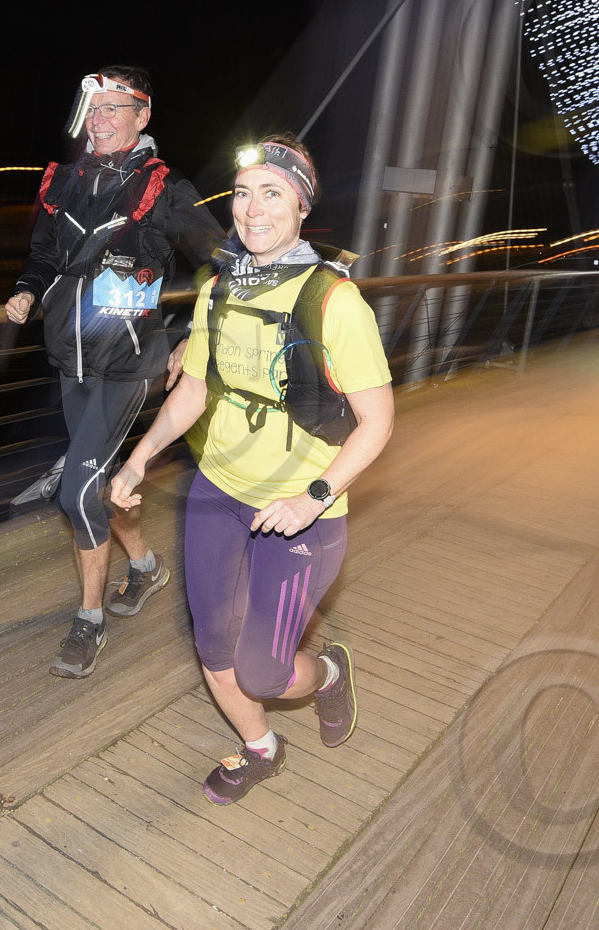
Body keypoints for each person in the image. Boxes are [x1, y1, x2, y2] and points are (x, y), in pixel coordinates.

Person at [111, 133, 394, 804]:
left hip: (300, 512)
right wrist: (140, 458)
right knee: (214, 647)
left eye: (273, 193)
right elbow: (192, 390)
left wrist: (313, 496)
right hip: (217, 491)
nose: (252, 209)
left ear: (302, 207)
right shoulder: (218, 289)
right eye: (242, 194)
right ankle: (261, 747)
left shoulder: (334, 301)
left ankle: (328, 674)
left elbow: (378, 422)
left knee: (265, 672)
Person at [6, 66, 221, 678]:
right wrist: (27, 289)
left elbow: (222, 263)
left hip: (129, 363)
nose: (97, 121)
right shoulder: (66, 180)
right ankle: (146, 568)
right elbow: (43, 254)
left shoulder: (164, 188)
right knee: (94, 480)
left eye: (112, 109)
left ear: (141, 117)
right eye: (92, 110)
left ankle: (89, 623)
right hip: (70, 359)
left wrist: (195, 335)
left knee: (75, 492)